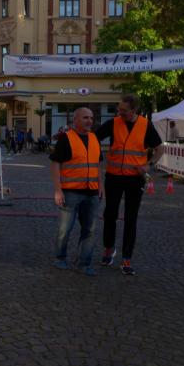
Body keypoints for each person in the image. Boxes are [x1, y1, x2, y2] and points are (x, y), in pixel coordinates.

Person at [95, 94, 164, 275]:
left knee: (131, 218)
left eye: (124, 110)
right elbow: (94, 138)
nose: (120, 112)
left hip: (135, 178)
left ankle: (127, 258)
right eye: (119, 109)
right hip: (113, 176)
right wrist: (96, 156)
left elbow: (160, 148)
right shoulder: (113, 123)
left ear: (134, 110)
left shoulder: (145, 125)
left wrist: (148, 165)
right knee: (110, 214)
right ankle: (108, 248)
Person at [50, 108, 103, 275]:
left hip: (92, 192)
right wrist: (58, 190)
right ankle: (60, 258)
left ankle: (84, 264)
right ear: (76, 120)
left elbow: (97, 165)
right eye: (85, 117)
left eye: (91, 118)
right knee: (65, 229)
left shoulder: (94, 138)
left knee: (90, 230)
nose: (89, 121)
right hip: (71, 192)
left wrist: (101, 186)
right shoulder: (66, 138)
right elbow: (55, 164)